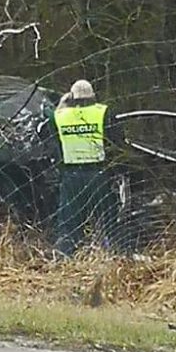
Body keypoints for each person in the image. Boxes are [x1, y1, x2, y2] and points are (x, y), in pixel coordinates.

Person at [49, 79, 123, 257]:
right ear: (93, 96)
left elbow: (47, 134)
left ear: (71, 97)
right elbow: (117, 142)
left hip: (71, 175)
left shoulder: (59, 116)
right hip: (99, 173)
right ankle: (112, 256)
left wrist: (61, 104)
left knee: (69, 222)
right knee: (107, 219)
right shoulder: (103, 112)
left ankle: (65, 259)